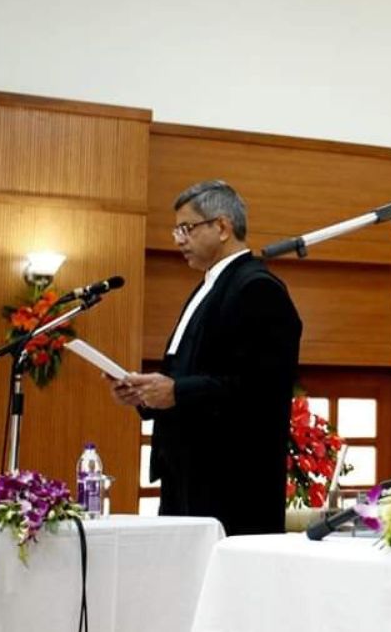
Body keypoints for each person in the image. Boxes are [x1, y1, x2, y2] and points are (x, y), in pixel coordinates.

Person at [109, 180, 302, 535]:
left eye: (187, 228)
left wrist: (176, 392)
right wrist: (146, 394)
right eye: (176, 229)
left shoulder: (257, 288)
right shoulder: (208, 287)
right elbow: (186, 372)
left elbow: (259, 388)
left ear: (222, 227)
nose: (177, 239)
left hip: (230, 483)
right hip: (185, 473)